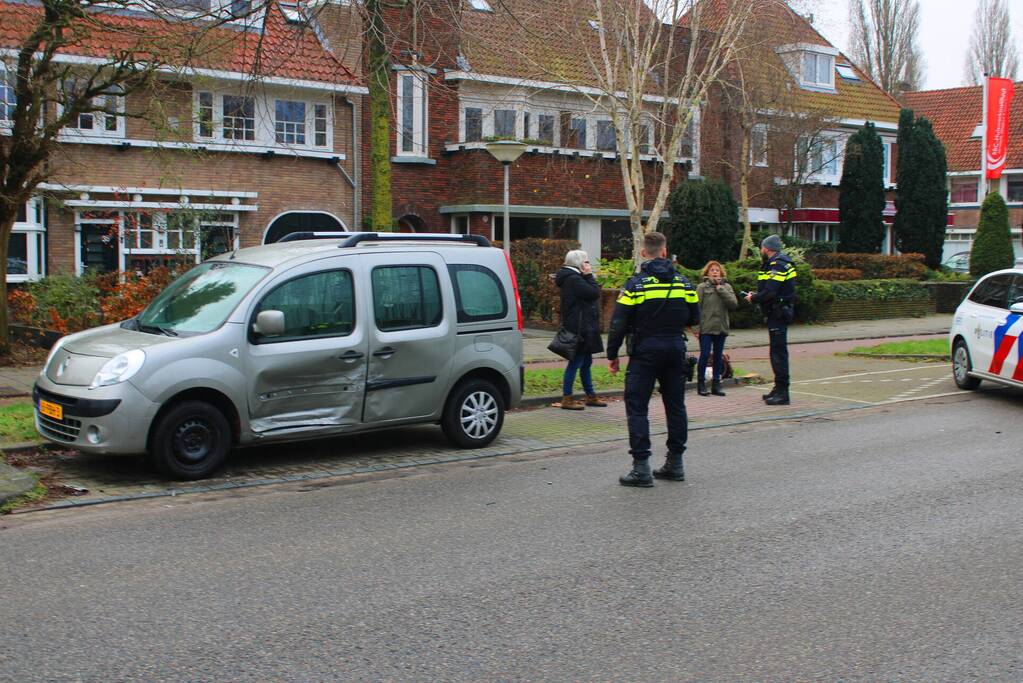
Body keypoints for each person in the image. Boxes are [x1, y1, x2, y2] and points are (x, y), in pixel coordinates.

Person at [607, 231, 699, 488]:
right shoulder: (684, 283)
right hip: (674, 350)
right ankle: (675, 463)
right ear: (665, 251)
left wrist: (612, 354)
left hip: (645, 352)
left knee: (637, 407)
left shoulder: (635, 285)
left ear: (643, 253)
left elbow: (618, 322)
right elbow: (694, 317)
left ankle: (641, 468)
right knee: (676, 406)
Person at [744, 234, 797, 405]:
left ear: (766, 248)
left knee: (778, 354)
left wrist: (754, 298)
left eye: (762, 247)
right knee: (776, 352)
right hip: (776, 312)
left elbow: (771, 291)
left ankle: (783, 393)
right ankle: (778, 388)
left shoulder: (778, 265)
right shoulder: (778, 263)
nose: (761, 250)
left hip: (778, 313)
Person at [554, 250, 607, 410]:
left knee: (586, 362)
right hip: (580, 328)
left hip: (582, 326)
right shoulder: (574, 279)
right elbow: (594, 293)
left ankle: (590, 395)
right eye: (585, 261)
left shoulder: (571, 278)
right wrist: (589, 275)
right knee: (576, 362)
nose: (588, 264)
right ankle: (567, 398)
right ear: (578, 263)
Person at [696, 260, 738, 397]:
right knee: (705, 354)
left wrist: (721, 289)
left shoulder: (726, 287)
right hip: (706, 328)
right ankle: (701, 384)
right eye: (712, 270)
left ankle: (716, 384)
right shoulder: (702, 287)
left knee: (718, 357)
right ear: (707, 273)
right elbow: (697, 307)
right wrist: (696, 328)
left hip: (721, 327)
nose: (715, 272)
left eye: (717, 270)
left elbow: (733, 304)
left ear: (721, 272)